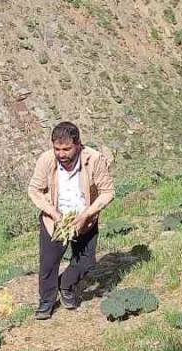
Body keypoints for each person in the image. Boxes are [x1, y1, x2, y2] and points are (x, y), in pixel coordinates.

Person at [26, 121, 116, 320]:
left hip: (85, 219)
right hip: (56, 220)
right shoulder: (46, 160)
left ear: (78, 145)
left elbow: (108, 192)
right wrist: (54, 214)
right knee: (48, 264)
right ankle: (46, 301)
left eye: (66, 149)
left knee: (86, 262)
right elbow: (34, 190)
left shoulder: (93, 159)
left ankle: (66, 285)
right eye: (57, 149)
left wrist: (86, 215)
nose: (61, 154)